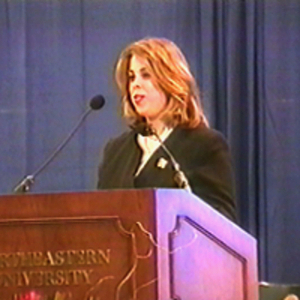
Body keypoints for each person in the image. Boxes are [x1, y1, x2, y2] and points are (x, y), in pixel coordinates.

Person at [97, 37, 236, 221]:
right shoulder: (115, 151)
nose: (135, 84)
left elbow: (222, 221)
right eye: (132, 77)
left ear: (170, 80)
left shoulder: (203, 144)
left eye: (146, 75)